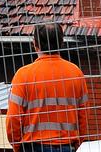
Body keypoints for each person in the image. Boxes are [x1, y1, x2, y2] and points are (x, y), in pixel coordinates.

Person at [6, 23, 89, 152]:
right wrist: (76, 142)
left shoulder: (23, 75)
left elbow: (13, 117)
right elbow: (83, 115)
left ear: (35, 43)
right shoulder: (75, 73)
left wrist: (17, 145)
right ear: (61, 42)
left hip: (33, 146)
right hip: (66, 146)